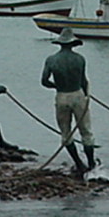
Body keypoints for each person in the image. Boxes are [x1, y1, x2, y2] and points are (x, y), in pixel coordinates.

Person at [41, 28, 96, 174]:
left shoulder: (51, 60)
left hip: (61, 96)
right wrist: (86, 96)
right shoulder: (79, 59)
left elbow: (44, 81)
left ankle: (79, 164)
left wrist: (57, 86)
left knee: (65, 133)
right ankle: (91, 165)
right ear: (72, 44)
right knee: (86, 131)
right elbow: (83, 81)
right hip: (77, 95)